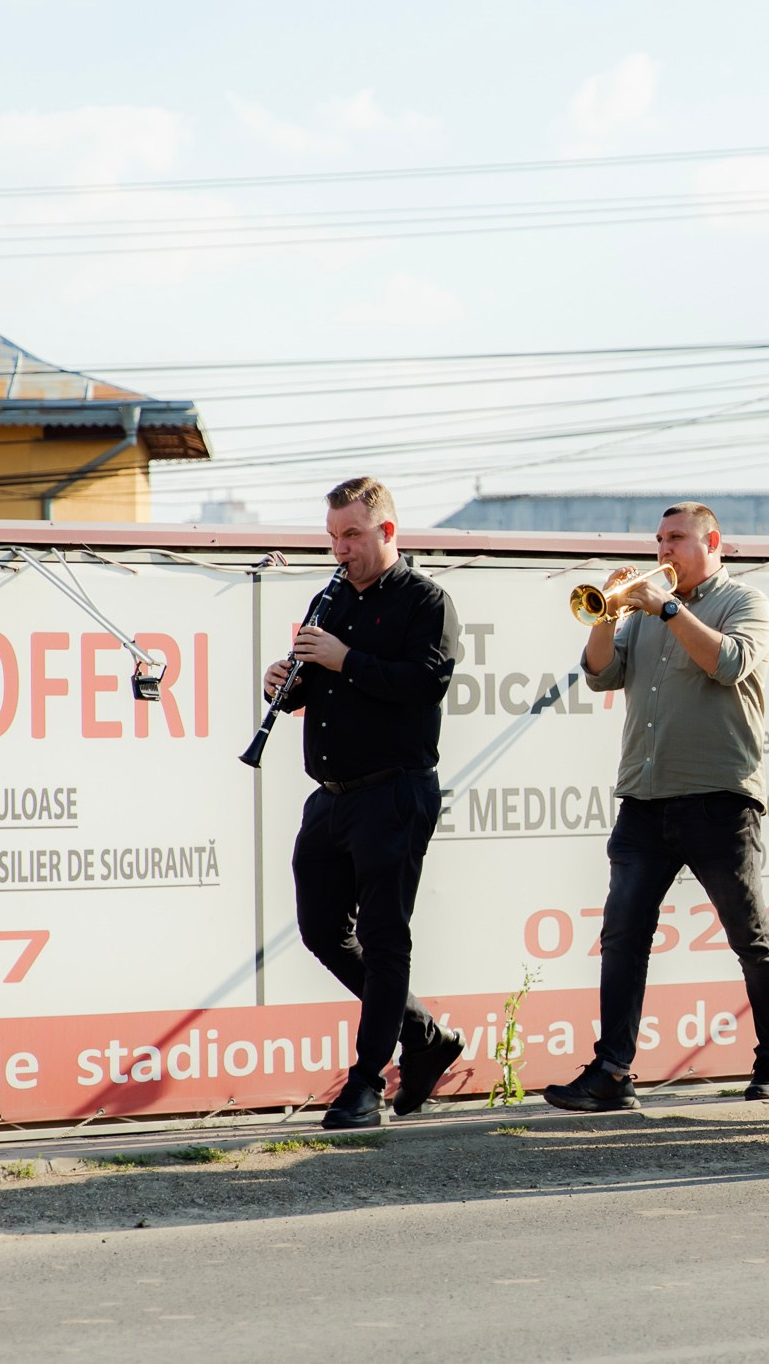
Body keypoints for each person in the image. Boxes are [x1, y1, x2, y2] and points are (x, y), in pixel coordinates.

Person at [543, 503, 769, 1112]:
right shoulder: (645, 611)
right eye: (659, 538)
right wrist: (606, 613)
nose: (664, 549)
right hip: (644, 798)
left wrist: (667, 608)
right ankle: (612, 1072)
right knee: (622, 935)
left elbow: (729, 663)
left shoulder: (745, 602)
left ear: (713, 543)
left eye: (677, 538)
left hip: (718, 797)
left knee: (749, 935)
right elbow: (600, 674)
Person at [267, 477, 465, 1129]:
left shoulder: (426, 600)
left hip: (394, 791)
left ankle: (365, 1085)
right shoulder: (330, 598)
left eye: (351, 535)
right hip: (330, 797)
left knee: (384, 939)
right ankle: (424, 1033)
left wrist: (344, 658)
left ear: (387, 531)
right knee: (322, 930)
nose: (341, 549)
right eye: (334, 537)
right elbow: (314, 688)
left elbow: (425, 682)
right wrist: (284, 684)